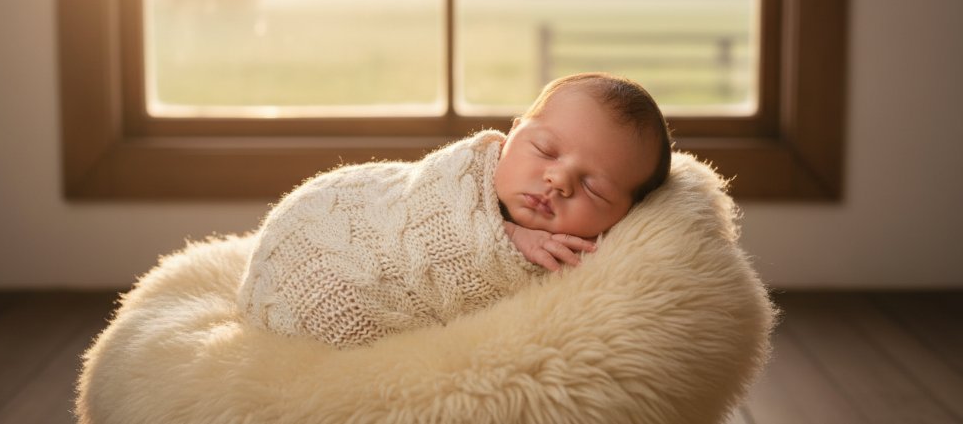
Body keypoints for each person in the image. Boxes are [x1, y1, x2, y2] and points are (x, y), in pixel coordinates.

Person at [237, 73, 672, 348]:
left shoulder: (587, 260)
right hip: (319, 233)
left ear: (626, 213)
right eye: (545, 149)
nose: (559, 180)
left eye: (594, 188)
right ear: (513, 134)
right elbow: (423, 209)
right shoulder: (465, 175)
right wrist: (510, 239)